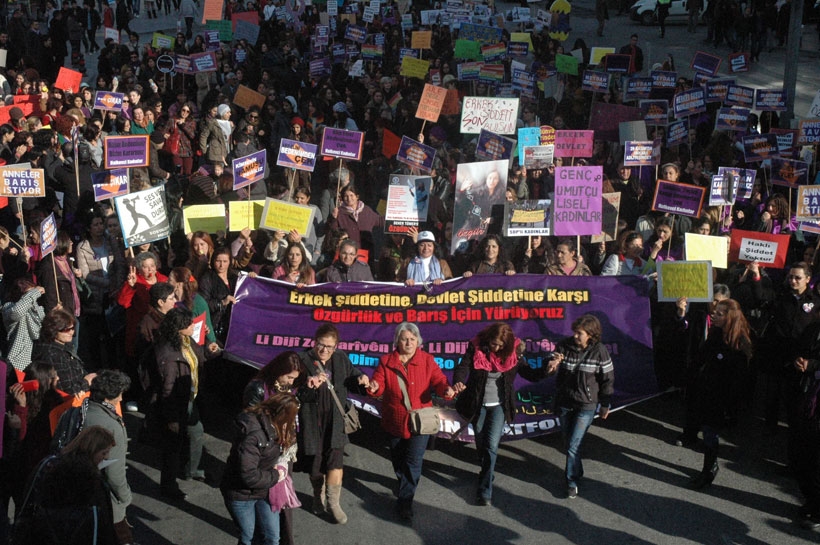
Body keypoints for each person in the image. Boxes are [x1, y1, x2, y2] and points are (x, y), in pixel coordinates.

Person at [366, 322, 455, 521]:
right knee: (398, 460)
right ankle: (402, 481)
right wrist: (373, 386)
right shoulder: (386, 361)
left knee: (414, 462)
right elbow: (378, 384)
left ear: (418, 342)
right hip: (394, 420)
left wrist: (446, 390)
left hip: (420, 421)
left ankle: (405, 502)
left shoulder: (427, 360)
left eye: (412, 339)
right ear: (397, 340)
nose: (408, 342)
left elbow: (440, 381)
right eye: (404, 338)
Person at [452, 323, 548, 505]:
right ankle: (485, 468)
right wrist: (458, 381)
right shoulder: (477, 347)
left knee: (491, 446)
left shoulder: (514, 352)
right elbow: (462, 367)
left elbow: (531, 374)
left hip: (499, 406)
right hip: (477, 403)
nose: (496, 348)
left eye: (500, 346)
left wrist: (548, 369)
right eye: (494, 344)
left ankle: (485, 490)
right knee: (480, 441)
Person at [295, 324, 370, 524]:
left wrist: (361, 378)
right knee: (315, 466)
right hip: (313, 423)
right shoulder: (301, 361)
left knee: (336, 462)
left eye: (330, 347)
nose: (325, 350)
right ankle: (317, 495)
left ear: (336, 346)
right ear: (314, 341)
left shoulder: (340, 358)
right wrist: (308, 386)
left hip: (335, 422)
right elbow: (295, 394)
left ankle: (334, 503)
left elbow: (352, 376)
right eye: (321, 345)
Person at [12, 426, 119, 545]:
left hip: (41, 535)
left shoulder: (48, 465)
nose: (106, 457)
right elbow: (103, 528)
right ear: (92, 450)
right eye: (104, 453)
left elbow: (28, 501)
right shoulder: (94, 483)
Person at [546, 314, 614, 499]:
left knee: (573, 445)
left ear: (590, 335)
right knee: (569, 442)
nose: (575, 336)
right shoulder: (563, 346)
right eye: (575, 332)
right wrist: (552, 365)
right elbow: (551, 365)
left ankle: (571, 482)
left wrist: (605, 404)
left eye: (580, 333)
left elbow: (607, 379)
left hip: (586, 405)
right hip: (565, 403)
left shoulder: (600, 351)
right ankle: (577, 470)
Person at [154, 307, 218, 499]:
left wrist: (209, 349)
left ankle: (191, 470)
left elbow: (198, 359)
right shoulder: (169, 354)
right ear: (179, 328)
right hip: (176, 404)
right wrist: (171, 415)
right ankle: (169, 485)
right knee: (172, 447)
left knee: (195, 432)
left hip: (188, 399)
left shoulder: (185, 341)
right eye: (189, 324)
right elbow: (168, 387)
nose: (193, 326)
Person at [221, 393, 299, 545]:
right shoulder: (253, 435)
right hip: (241, 494)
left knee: (273, 536)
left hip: (264, 490)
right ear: (282, 415)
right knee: (248, 536)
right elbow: (249, 475)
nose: (293, 422)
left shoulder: (276, 426)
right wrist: (277, 474)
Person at [83, 370, 135, 544]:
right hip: (108, 503)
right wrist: (125, 496)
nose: (121, 399)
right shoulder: (111, 426)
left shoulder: (81, 411)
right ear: (108, 397)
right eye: (119, 395)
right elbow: (114, 472)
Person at [31, 308, 96, 396]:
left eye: (73, 328)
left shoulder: (63, 348)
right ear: (53, 330)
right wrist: (86, 382)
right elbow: (67, 391)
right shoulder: (53, 355)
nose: (71, 332)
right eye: (66, 330)